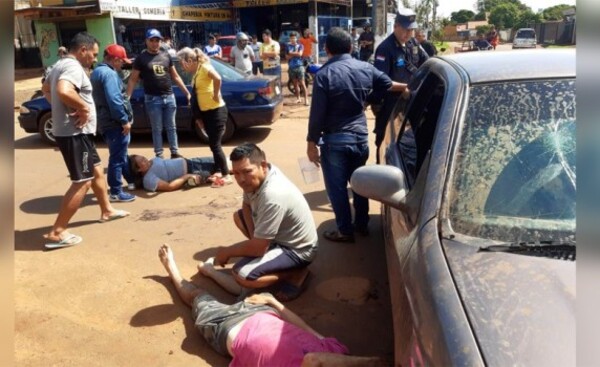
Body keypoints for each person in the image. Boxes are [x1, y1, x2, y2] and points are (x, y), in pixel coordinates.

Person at [158, 244, 384, 366]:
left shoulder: (321, 359)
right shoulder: (337, 351)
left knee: (197, 296)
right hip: (263, 312)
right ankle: (209, 271)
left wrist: (375, 363)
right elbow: (304, 328)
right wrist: (272, 301)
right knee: (243, 289)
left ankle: (173, 271)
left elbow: (313, 360)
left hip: (228, 327)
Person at [306, 27, 408, 243]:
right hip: (360, 138)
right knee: (360, 183)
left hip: (335, 141)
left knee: (337, 189)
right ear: (351, 47)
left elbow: (317, 114)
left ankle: (345, 230)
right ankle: (361, 225)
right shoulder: (365, 68)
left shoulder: (324, 74)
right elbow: (386, 84)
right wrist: (369, 99)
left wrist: (311, 142)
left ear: (326, 49)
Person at [40, 32, 129, 249]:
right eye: (93, 54)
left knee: (97, 170)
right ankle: (57, 232)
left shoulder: (58, 65)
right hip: (74, 134)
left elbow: (46, 90)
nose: (95, 59)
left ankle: (106, 210)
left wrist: (65, 109)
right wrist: (82, 107)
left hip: (77, 133)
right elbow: (63, 90)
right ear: (83, 50)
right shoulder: (72, 67)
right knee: (82, 182)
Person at [198, 143, 318, 301]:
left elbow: (258, 249)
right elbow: (246, 205)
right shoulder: (259, 176)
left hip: (298, 249)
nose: (241, 179)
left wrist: (227, 251)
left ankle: (297, 273)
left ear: (262, 165)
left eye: (247, 172)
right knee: (238, 217)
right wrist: (255, 238)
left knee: (242, 275)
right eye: (236, 173)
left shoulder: (273, 195)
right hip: (278, 237)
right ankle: (264, 247)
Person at [127, 28, 190, 159]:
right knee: (157, 128)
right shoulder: (141, 58)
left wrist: (187, 93)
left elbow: (176, 76)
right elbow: (133, 79)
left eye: (157, 40)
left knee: (172, 127)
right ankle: (159, 155)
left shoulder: (166, 55)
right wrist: (127, 97)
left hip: (169, 97)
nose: (155, 43)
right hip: (152, 99)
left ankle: (174, 152)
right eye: (152, 40)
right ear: (146, 41)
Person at [373, 10, 428, 155]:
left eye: (411, 30)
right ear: (396, 26)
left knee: (411, 145)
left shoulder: (414, 44)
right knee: (386, 146)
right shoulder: (385, 49)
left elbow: (427, 64)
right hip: (391, 106)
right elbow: (381, 81)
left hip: (411, 103)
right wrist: (405, 88)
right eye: (405, 30)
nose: (409, 34)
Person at [177, 47, 233, 187]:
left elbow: (217, 78)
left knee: (215, 145)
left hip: (216, 111)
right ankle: (219, 170)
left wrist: (215, 94)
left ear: (189, 61)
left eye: (181, 63)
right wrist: (199, 118)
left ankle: (226, 175)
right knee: (213, 145)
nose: (181, 66)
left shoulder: (204, 67)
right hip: (207, 113)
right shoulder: (196, 73)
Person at [90, 44, 136, 203]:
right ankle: (116, 192)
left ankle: (130, 180)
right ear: (115, 59)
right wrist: (124, 120)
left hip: (106, 120)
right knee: (117, 157)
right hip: (114, 122)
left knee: (120, 153)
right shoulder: (109, 74)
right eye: (121, 61)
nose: (122, 64)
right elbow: (115, 100)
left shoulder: (97, 71)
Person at [129, 154, 216, 192]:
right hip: (193, 170)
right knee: (224, 166)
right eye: (142, 160)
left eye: (143, 157)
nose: (145, 159)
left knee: (221, 161)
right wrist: (186, 176)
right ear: (138, 169)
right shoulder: (149, 180)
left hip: (191, 161)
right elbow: (169, 187)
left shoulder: (151, 161)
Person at [286, 32, 308, 105]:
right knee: (295, 84)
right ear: (290, 38)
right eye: (291, 38)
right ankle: (298, 98)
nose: (293, 39)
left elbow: (300, 54)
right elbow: (287, 57)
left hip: (299, 66)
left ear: (296, 38)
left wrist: (291, 53)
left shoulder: (300, 45)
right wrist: (296, 53)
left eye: (294, 38)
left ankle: (306, 100)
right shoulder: (287, 46)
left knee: (302, 83)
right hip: (291, 67)